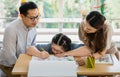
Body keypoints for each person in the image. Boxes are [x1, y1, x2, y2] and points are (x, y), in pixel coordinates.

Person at [0, 1, 49, 77]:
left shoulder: (33, 28)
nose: (35, 21)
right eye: (32, 18)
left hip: (23, 61)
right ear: (22, 16)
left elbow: (32, 47)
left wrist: (39, 55)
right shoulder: (11, 29)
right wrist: (24, 70)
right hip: (9, 65)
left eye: (37, 16)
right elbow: (10, 57)